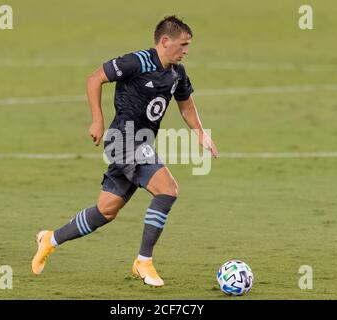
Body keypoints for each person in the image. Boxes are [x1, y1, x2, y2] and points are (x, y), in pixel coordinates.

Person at [32, 15, 218, 287]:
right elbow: (94, 79)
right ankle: (143, 261)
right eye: (183, 44)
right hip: (123, 141)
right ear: (165, 41)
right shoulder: (137, 62)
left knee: (105, 212)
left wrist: (201, 133)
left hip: (141, 143)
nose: (186, 50)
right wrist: (97, 119)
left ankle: (50, 239)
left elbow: (186, 105)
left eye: (188, 45)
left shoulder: (177, 73)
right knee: (167, 190)